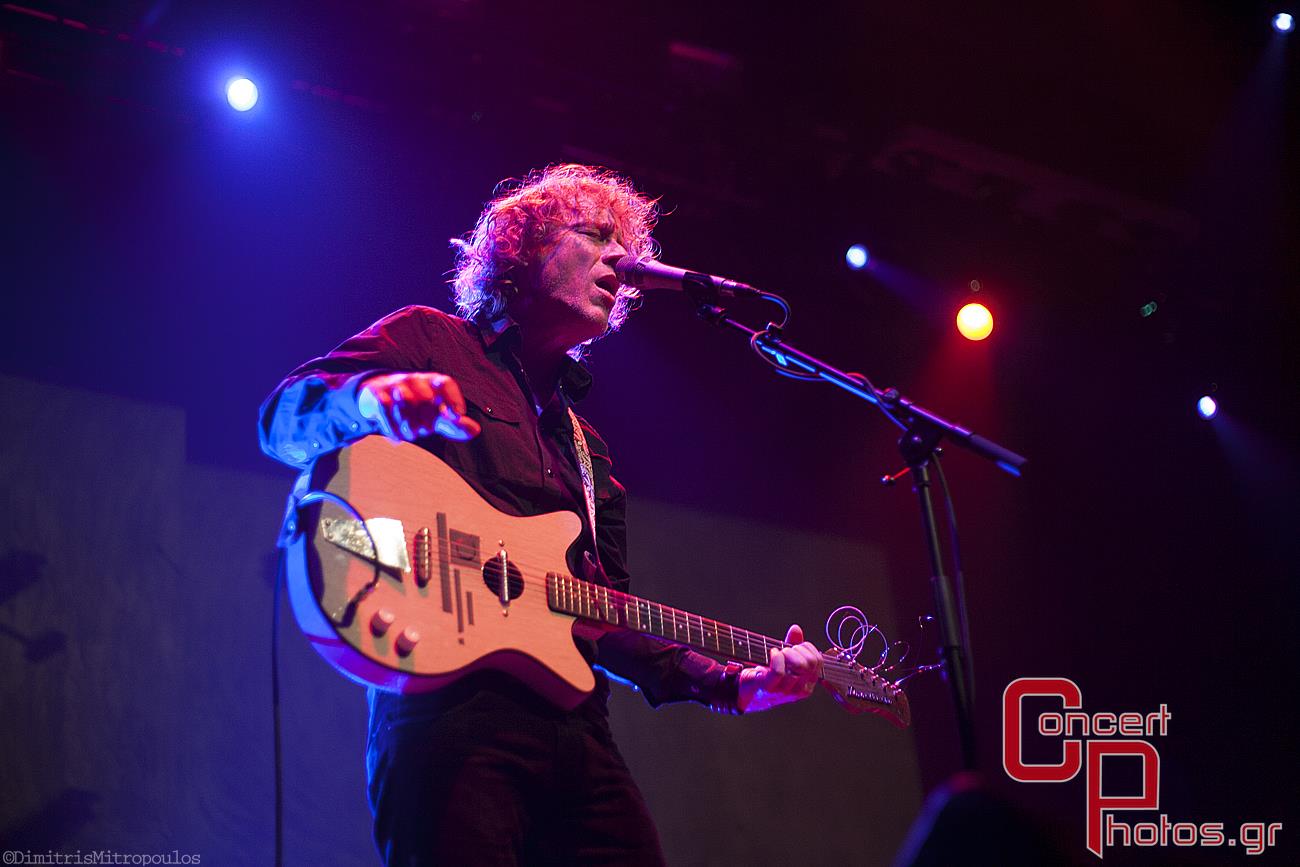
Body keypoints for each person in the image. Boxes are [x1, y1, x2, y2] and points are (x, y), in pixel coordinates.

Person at [259, 164, 823, 866]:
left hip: (577, 728)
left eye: (628, 247)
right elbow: (283, 420)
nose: (622, 260)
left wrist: (735, 684)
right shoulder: (429, 341)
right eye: (597, 236)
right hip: (449, 711)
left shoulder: (589, 449)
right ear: (520, 249)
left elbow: (605, 613)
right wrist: (368, 402)